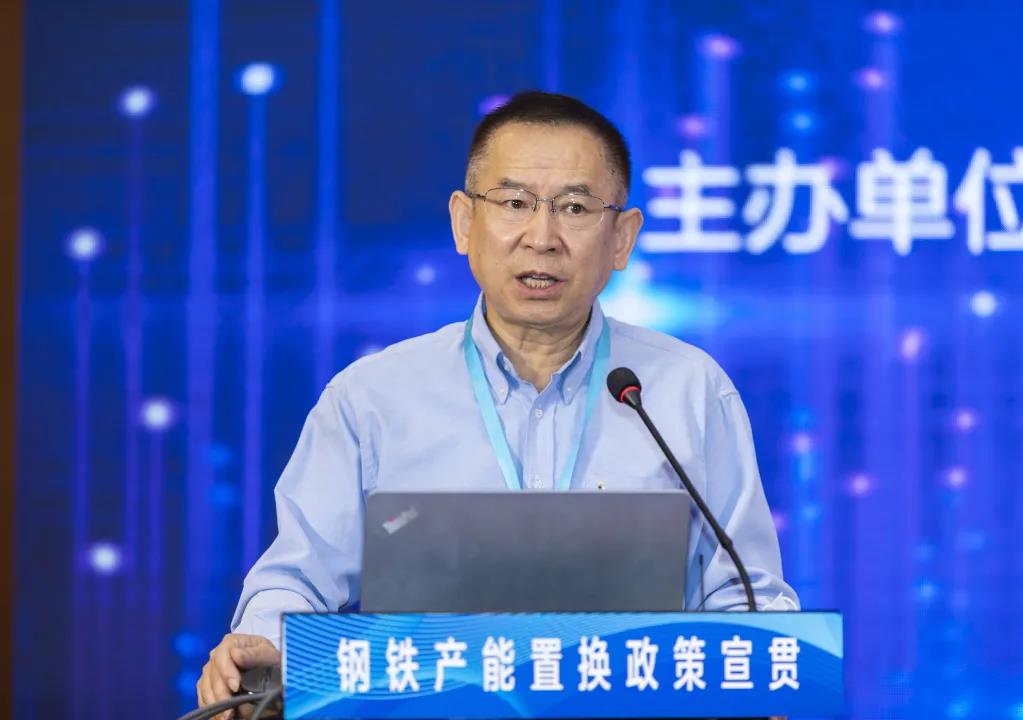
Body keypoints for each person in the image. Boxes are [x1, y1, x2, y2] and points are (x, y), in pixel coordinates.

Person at [196, 91, 798, 712]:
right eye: (514, 203)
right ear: (464, 222)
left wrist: (765, 664)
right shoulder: (372, 397)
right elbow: (297, 577)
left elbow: (747, 595)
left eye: (575, 208)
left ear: (622, 237)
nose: (542, 237)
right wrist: (267, 649)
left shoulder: (688, 391)